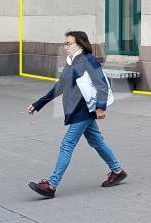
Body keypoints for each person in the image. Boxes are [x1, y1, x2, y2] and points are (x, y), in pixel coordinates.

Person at [26, 31, 127, 198]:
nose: (66, 47)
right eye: (65, 43)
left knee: (67, 144)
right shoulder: (71, 61)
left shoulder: (88, 60)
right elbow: (60, 86)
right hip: (75, 109)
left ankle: (51, 185)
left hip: (84, 110)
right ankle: (117, 171)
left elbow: (102, 85)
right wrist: (39, 104)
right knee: (97, 141)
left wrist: (101, 107)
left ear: (80, 43)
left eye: (69, 43)